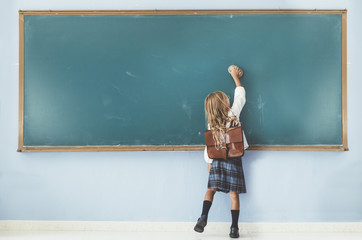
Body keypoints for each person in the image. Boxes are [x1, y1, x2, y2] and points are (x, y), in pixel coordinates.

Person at [194, 65, 249, 238]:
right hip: (233, 159)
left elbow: (209, 146)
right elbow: (241, 96)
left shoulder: (212, 125)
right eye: (227, 98)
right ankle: (234, 228)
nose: (229, 99)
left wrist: (209, 163)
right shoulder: (233, 115)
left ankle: (203, 216)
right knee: (234, 195)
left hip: (217, 161)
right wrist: (235, 76)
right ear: (225, 104)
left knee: (210, 190)